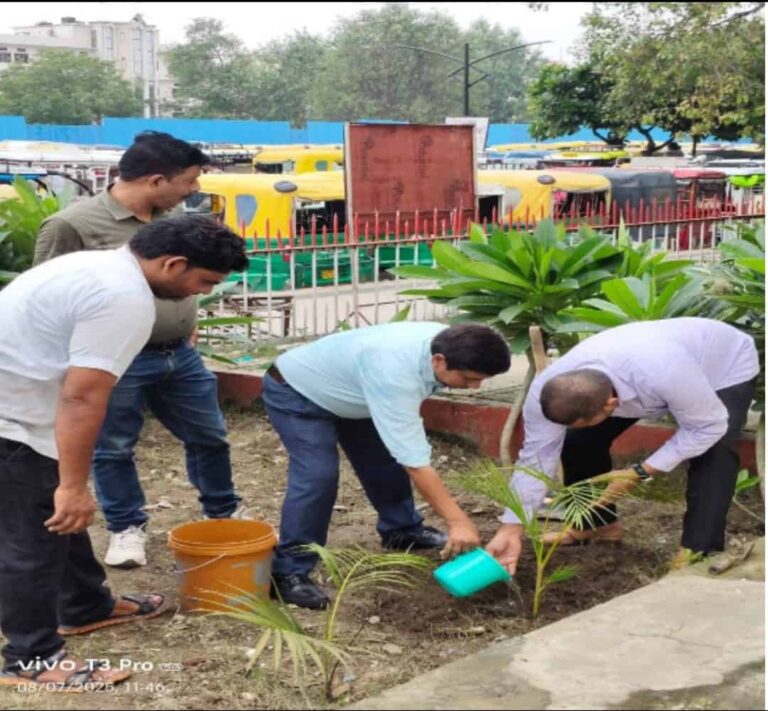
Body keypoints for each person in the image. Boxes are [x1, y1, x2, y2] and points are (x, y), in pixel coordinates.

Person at [0, 215, 247, 692]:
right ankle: (30, 658)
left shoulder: (98, 266)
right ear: (174, 263)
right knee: (33, 540)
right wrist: (73, 485)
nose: (199, 293)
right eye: (203, 282)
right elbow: (83, 396)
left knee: (57, 522)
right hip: (12, 421)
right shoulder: (125, 299)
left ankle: (84, 607)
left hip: (23, 404)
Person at [34, 131, 247, 569]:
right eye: (188, 181)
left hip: (180, 354)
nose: (193, 191)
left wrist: (189, 322)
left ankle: (222, 512)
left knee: (209, 436)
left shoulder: (179, 224)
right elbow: (47, 295)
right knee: (113, 446)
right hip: (117, 360)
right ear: (155, 180)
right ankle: (125, 527)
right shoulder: (73, 225)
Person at [262, 322, 512, 609]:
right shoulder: (394, 372)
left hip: (357, 394)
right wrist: (458, 521)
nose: (474, 388)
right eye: (469, 378)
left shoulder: (454, 341)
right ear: (439, 361)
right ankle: (289, 571)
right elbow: (415, 461)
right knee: (317, 476)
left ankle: (401, 530)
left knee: (383, 461)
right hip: (298, 391)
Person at [485, 318, 759, 573]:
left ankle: (699, 550)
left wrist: (640, 472)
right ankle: (596, 525)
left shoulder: (664, 371)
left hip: (723, 365)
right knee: (578, 441)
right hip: (648, 372)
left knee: (715, 450)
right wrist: (512, 526)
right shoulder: (547, 390)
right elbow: (536, 458)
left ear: (611, 406)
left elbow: (707, 427)